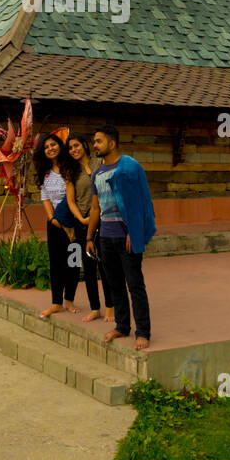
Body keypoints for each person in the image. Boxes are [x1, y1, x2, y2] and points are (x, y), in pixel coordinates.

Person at [85, 124, 156, 351]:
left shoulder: (130, 167)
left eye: (98, 141)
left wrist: (134, 232)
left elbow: (141, 202)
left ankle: (142, 331)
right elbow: (95, 210)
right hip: (105, 236)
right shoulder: (97, 174)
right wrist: (89, 238)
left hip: (125, 236)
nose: (94, 145)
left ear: (112, 143)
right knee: (114, 284)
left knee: (135, 285)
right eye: (94, 141)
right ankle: (122, 325)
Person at [65, 132, 114, 324]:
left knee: (106, 265)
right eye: (70, 148)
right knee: (89, 267)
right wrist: (81, 220)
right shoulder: (71, 171)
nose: (73, 150)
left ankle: (110, 307)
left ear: (85, 145)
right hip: (82, 222)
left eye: (76, 145)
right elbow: (70, 201)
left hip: (103, 219)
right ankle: (95, 308)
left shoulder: (100, 164)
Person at [33, 132, 79, 319]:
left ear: (60, 146)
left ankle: (69, 299)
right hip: (54, 224)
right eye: (46, 147)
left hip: (74, 222)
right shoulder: (44, 172)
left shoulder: (72, 168)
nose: (50, 148)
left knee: (73, 261)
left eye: (53, 144)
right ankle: (56, 302)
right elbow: (45, 197)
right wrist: (52, 218)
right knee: (56, 262)